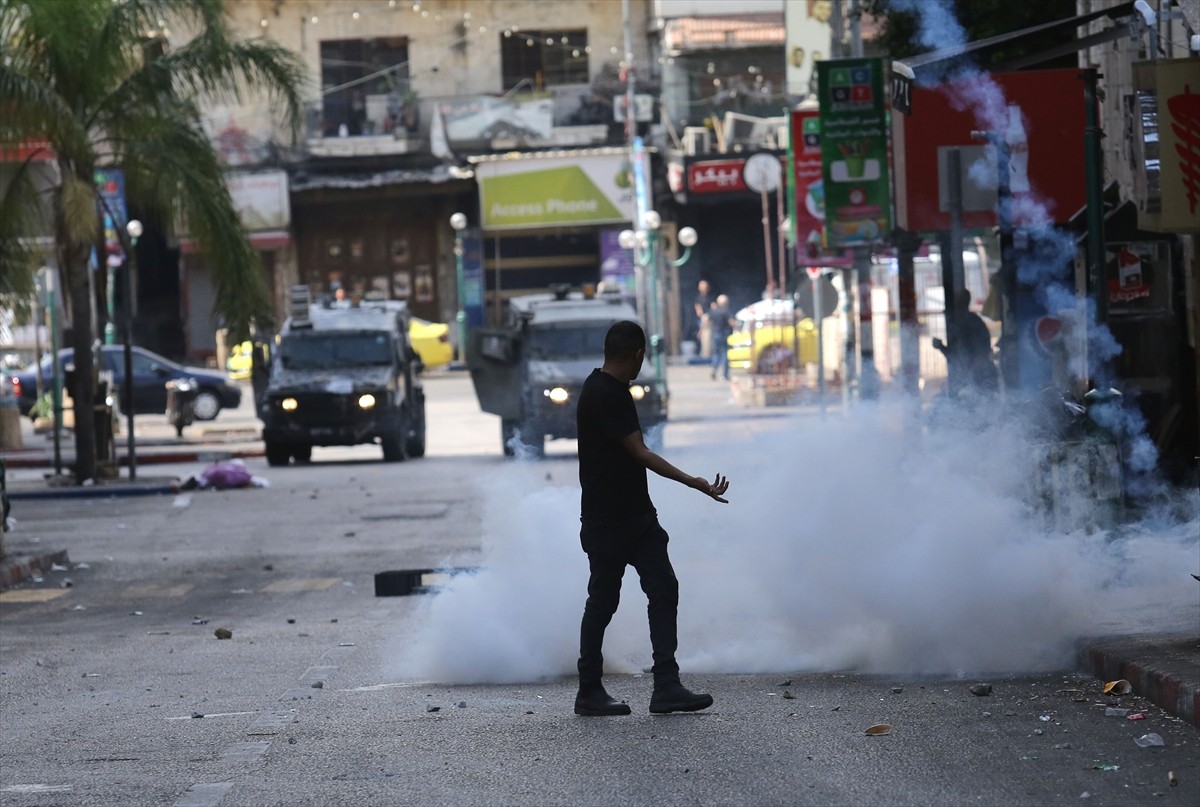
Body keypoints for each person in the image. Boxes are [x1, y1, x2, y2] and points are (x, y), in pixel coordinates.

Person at [574, 321, 730, 717]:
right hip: (615, 521)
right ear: (638, 355)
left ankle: (665, 686)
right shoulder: (609, 393)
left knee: (658, 590)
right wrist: (693, 482)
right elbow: (640, 453)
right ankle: (593, 690)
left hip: (627, 517)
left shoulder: (597, 387)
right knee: (607, 602)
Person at [933, 288, 998, 398]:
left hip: (978, 377)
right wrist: (941, 347)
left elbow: (973, 355)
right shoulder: (969, 323)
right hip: (972, 377)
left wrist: (971, 373)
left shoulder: (970, 324)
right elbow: (956, 356)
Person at [708, 294, 736, 381]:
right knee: (725, 354)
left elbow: (707, 320)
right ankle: (724, 375)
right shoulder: (726, 311)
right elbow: (731, 322)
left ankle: (714, 367)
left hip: (715, 333)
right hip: (724, 334)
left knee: (716, 353)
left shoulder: (713, 311)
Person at [693, 279, 713, 359]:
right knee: (703, 336)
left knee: (709, 336)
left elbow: (713, 307)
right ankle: (704, 353)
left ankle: (709, 352)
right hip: (703, 318)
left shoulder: (710, 297)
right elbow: (698, 310)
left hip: (710, 318)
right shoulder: (698, 298)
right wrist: (703, 317)